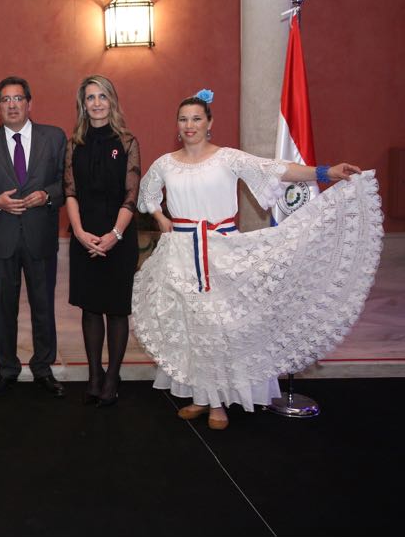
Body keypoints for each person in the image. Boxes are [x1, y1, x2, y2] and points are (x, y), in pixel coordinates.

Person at [132, 91, 383, 430]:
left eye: (196, 118)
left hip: (223, 252)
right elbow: (146, 195)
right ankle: (202, 397)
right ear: (177, 126)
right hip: (182, 255)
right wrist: (161, 218)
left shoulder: (227, 158)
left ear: (209, 124)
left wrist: (325, 172)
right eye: (183, 119)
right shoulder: (165, 163)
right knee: (194, 327)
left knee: (222, 327)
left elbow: (278, 169)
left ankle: (220, 402)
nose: (189, 125)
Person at [0, 76, 67, 397]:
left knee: (43, 306)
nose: (12, 105)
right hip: (2, 238)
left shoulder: (54, 138)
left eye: (18, 99)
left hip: (40, 236)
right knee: (4, 307)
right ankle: (7, 369)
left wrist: (47, 195)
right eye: (5, 100)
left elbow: (65, 183)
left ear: (30, 102)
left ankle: (43, 368)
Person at [64, 75, 140, 408]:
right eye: (90, 98)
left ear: (112, 101)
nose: (96, 103)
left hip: (118, 236)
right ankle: (95, 375)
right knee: (90, 307)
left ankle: (113, 376)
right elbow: (70, 191)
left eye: (102, 97)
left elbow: (131, 194)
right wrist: (79, 233)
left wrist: (115, 235)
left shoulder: (127, 141)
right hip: (84, 235)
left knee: (117, 310)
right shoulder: (73, 143)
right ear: (83, 104)